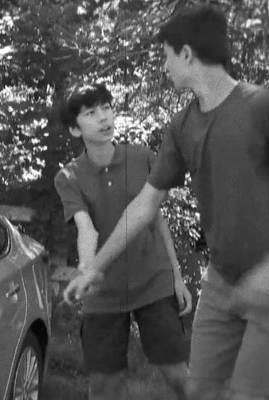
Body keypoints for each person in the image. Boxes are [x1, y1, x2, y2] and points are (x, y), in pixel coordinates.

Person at [63, 5, 269, 400]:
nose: (164, 67)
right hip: (221, 283)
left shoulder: (264, 106)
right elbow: (144, 205)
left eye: (166, 56)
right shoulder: (180, 127)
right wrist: (96, 267)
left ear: (188, 54)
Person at [54, 82, 192, 399]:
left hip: (153, 283)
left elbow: (156, 219)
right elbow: (85, 228)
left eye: (107, 107)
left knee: (178, 375)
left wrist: (177, 277)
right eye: (91, 113)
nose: (104, 117)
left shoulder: (143, 158)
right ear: (76, 130)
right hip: (103, 295)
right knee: (103, 387)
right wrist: (87, 270)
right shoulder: (68, 178)